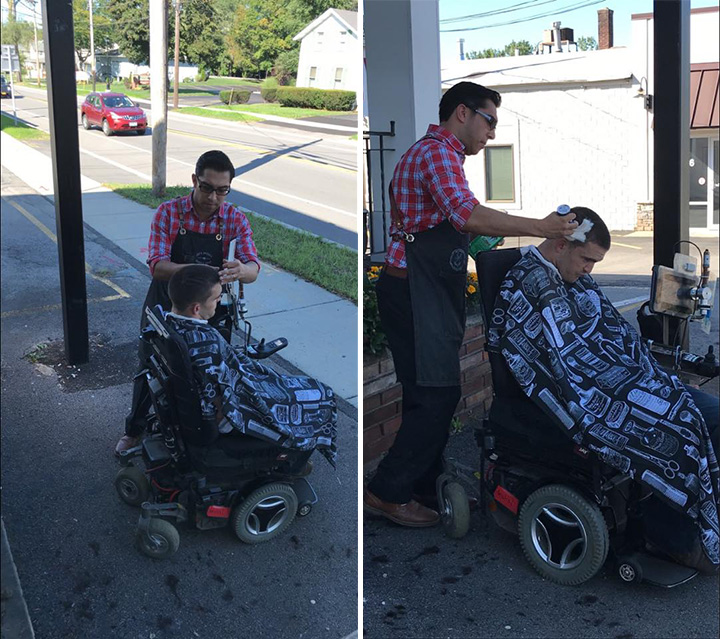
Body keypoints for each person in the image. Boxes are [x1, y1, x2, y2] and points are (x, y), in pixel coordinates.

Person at [364, 81, 580, 528]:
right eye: (490, 121)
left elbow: (462, 225)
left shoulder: (441, 156)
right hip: (414, 290)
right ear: (463, 113)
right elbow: (465, 214)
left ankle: (424, 487)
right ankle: (386, 492)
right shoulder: (437, 152)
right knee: (435, 395)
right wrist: (542, 226)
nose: (493, 133)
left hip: (425, 289)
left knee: (431, 391)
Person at [491, 206, 719, 573]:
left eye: (595, 263)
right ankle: (672, 540)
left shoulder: (572, 278)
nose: (589, 270)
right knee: (682, 432)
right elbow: (547, 364)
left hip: (628, 381)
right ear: (561, 244)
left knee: (713, 416)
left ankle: (700, 518)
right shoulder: (527, 283)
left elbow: (609, 333)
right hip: (587, 396)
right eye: (587, 260)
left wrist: (639, 372)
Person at [116, 149, 260, 456]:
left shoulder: (235, 219)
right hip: (165, 306)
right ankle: (135, 429)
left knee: (209, 372)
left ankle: (200, 432)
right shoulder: (169, 213)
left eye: (222, 191)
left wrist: (242, 270)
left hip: (211, 309)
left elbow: (253, 269)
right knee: (151, 366)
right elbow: (157, 265)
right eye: (207, 188)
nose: (213, 198)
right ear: (194, 181)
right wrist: (202, 273)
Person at [156, 264, 337, 463]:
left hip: (227, 387)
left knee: (300, 388)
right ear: (197, 308)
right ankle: (299, 455)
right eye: (216, 299)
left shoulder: (168, 324)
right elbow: (219, 400)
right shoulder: (204, 343)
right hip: (230, 410)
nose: (218, 302)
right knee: (321, 393)